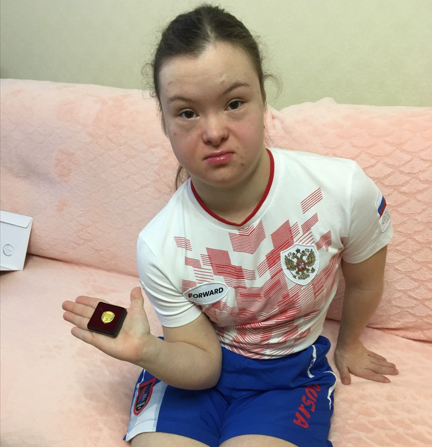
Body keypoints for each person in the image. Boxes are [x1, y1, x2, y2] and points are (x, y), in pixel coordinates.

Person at [62, 4, 398, 447]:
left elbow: (364, 280)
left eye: (234, 103)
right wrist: (147, 350)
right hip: (193, 369)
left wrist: (349, 343)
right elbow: (202, 367)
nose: (214, 131)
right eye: (187, 113)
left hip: (288, 378)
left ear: (263, 101)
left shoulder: (342, 189)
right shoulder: (160, 244)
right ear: (164, 122)